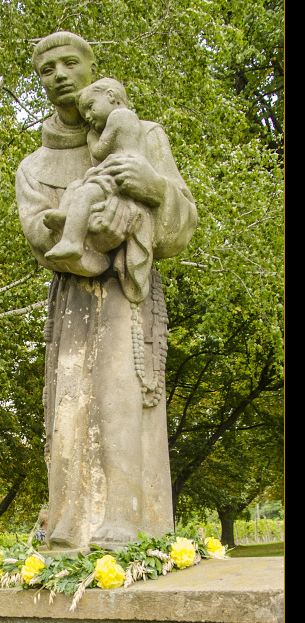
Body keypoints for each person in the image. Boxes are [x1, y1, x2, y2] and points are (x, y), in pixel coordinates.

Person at [15, 31, 197, 550]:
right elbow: (38, 238)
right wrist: (92, 227)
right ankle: (70, 528)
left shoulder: (143, 135)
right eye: (47, 69)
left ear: (92, 68)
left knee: (120, 398)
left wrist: (153, 188)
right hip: (73, 302)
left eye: (70, 63)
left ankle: (129, 521)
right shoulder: (33, 167)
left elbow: (182, 228)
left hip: (126, 295)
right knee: (70, 409)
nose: (60, 76)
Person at [45, 78, 152, 293]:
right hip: (111, 173)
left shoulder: (121, 117)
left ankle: (72, 242)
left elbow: (100, 152)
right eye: (85, 115)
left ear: (111, 96)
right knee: (77, 186)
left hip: (118, 176)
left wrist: (92, 139)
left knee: (85, 192)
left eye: (90, 108)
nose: (89, 117)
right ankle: (69, 217)